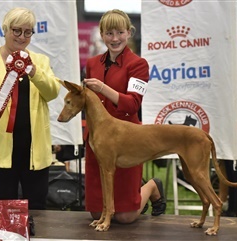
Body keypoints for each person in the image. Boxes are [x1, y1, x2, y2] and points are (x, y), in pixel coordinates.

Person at [0, 7, 60, 210]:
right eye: (17, 30)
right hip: (0, 145)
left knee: (37, 205)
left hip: (34, 148)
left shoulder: (40, 61)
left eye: (28, 32)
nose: (22, 36)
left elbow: (52, 92)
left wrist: (35, 72)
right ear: (5, 30)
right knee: (3, 203)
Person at [83, 9, 166, 223]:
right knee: (94, 213)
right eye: (109, 33)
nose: (115, 38)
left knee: (126, 217)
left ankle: (151, 187)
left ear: (129, 33)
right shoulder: (92, 64)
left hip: (127, 140)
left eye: (120, 32)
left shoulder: (138, 64)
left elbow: (132, 104)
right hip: (99, 140)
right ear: (102, 35)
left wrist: (102, 88)